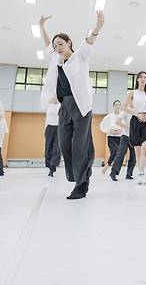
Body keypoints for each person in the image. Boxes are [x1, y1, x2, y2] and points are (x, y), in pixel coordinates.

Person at [38, 11, 105, 200]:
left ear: (69, 43)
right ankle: (80, 174)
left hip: (81, 105)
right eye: (55, 45)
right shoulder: (56, 59)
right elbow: (46, 44)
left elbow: (89, 41)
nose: (57, 47)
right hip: (64, 106)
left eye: (61, 43)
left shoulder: (80, 56)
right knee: (64, 143)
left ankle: (81, 184)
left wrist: (97, 27)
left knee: (79, 145)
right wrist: (42, 26)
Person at [123, 71, 146, 185]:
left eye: (145, 77)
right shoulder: (132, 93)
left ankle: (142, 174)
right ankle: (139, 173)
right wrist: (136, 114)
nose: (143, 79)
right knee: (137, 151)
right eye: (141, 77)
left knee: (144, 149)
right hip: (135, 121)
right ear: (137, 79)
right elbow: (124, 107)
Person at [100, 100, 125, 174]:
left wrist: (121, 130)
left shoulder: (122, 116)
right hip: (111, 137)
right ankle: (106, 166)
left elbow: (126, 126)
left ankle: (115, 171)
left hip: (121, 137)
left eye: (119, 105)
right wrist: (110, 131)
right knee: (115, 151)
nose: (117, 106)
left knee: (120, 154)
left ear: (120, 106)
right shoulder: (109, 116)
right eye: (116, 105)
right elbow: (102, 126)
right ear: (113, 106)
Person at [44, 98, 61, 176]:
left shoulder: (61, 105)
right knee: (48, 148)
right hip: (49, 127)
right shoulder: (48, 105)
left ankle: (53, 166)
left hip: (58, 127)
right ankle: (49, 164)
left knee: (56, 148)